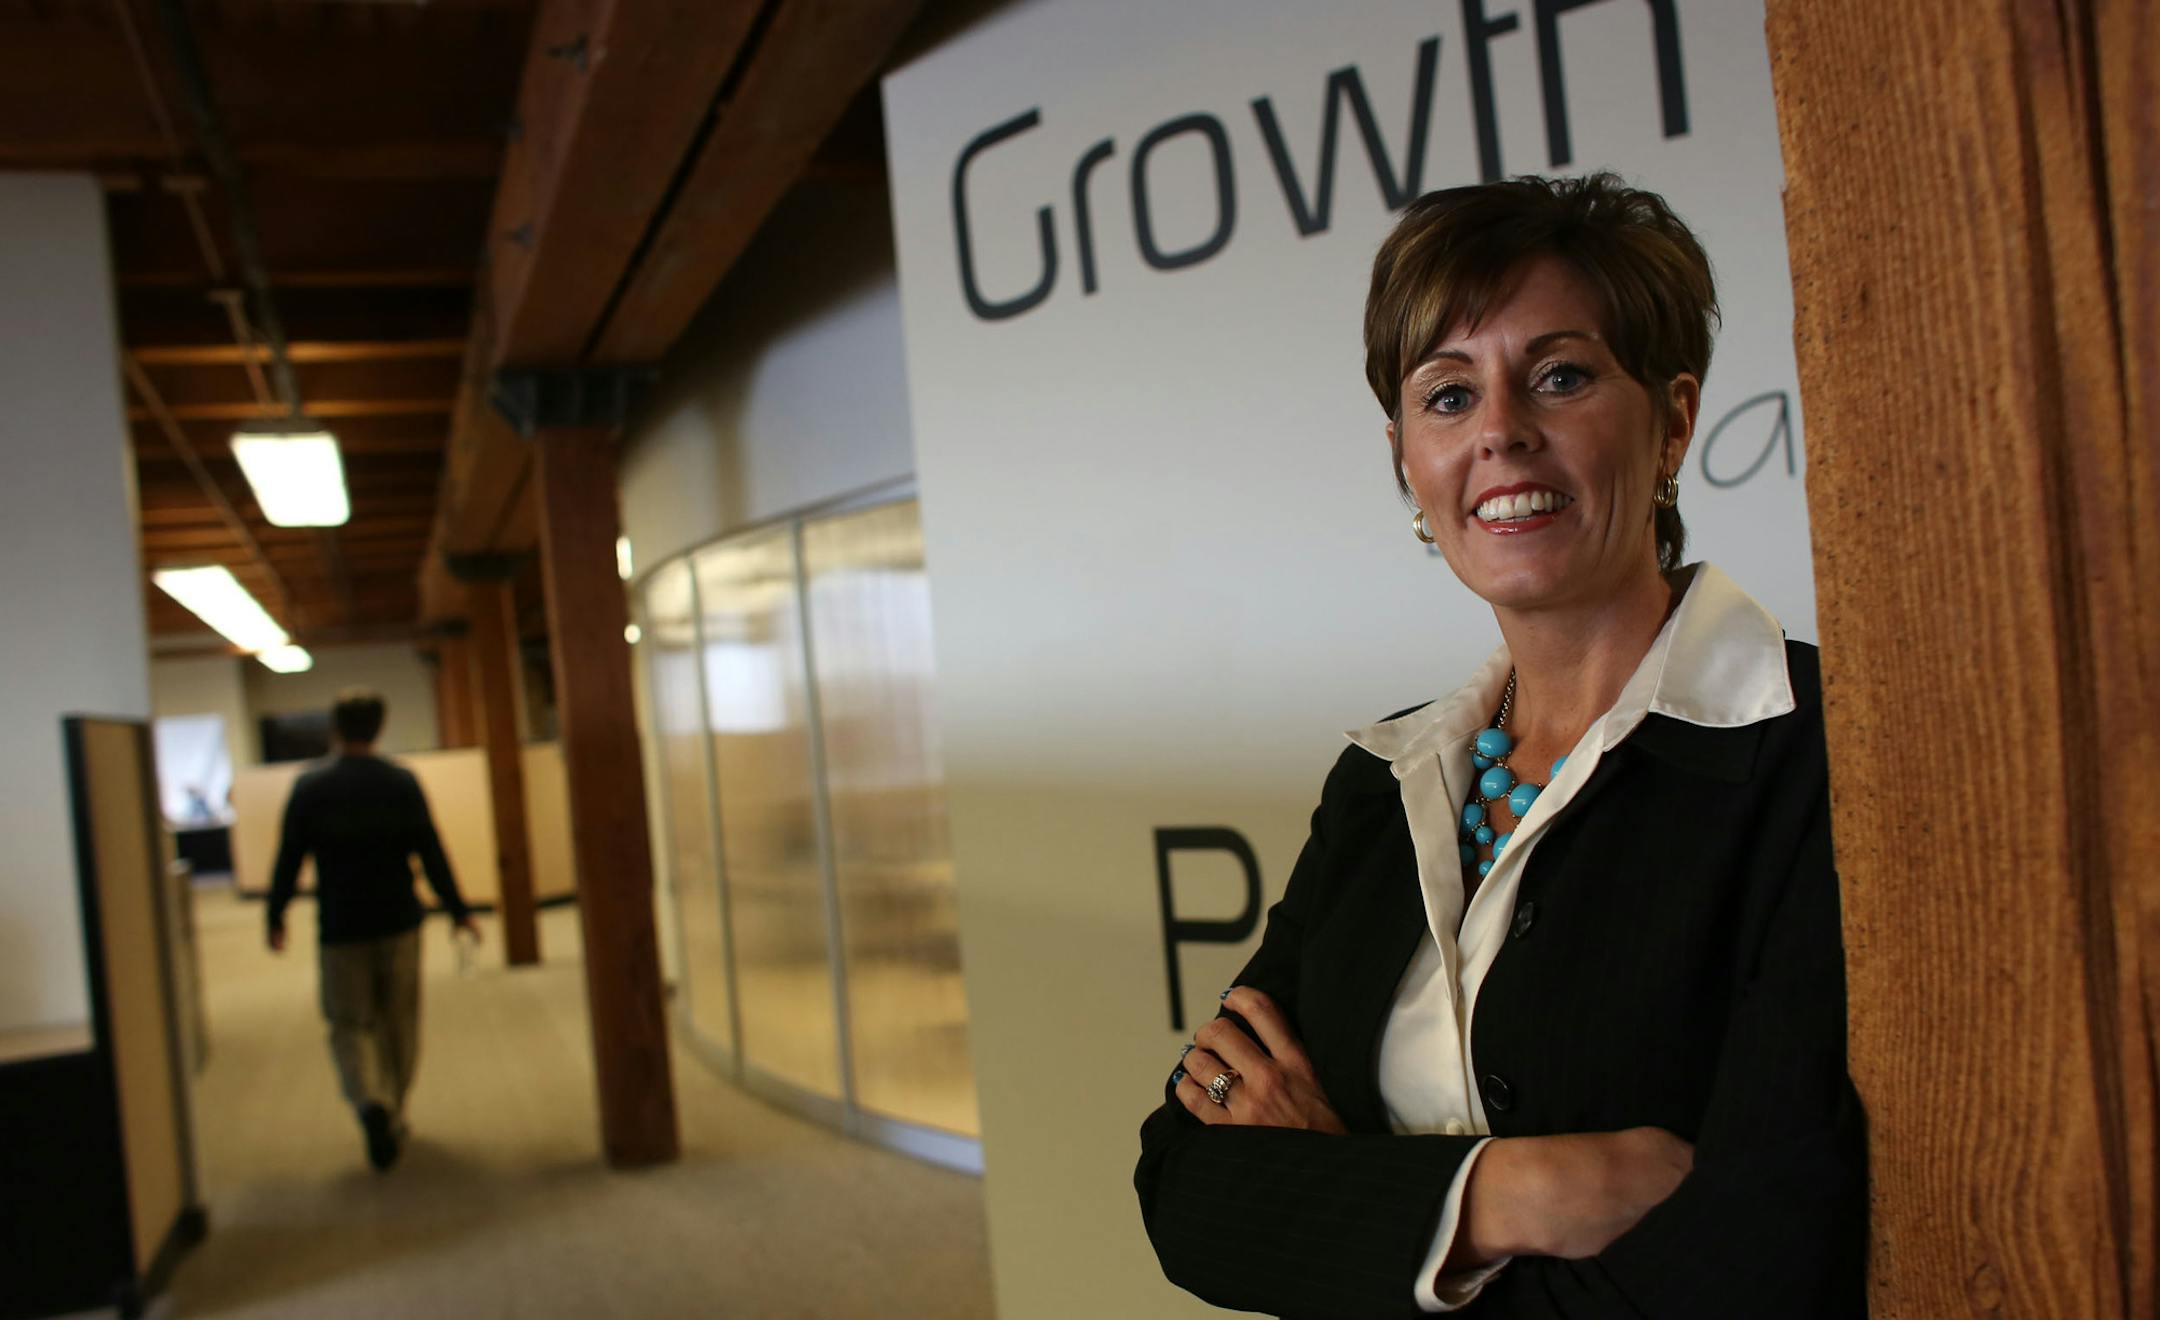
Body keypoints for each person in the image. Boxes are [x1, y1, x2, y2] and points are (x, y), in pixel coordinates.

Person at [1134, 174, 1866, 1317]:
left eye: (1561, 377)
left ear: (1673, 419)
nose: (1502, 435)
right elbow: (1185, 1183)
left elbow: (1759, 1261)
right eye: (1447, 395)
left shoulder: (1822, 751)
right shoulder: (1383, 785)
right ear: (1406, 463)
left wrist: (1349, 1197)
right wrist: (1509, 1192)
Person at [267, 687, 478, 1171]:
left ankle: (369, 1102)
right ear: (378, 730)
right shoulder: (400, 783)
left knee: (349, 1021)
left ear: (334, 729)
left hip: (341, 926)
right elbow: (430, 850)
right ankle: (396, 1106)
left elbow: (289, 858)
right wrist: (458, 909)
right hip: (399, 921)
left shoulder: (310, 786)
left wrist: (274, 914)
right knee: (398, 1019)